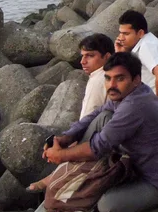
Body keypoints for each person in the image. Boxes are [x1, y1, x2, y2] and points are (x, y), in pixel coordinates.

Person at [44, 53, 158, 212]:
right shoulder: (131, 93)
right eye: (107, 78)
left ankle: (84, 180)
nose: (111, 85)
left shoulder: (135, 105)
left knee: (107, 206)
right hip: (143, 160)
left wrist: (60, 155)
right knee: (104, 116)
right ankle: (80, 173)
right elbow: (97, 114)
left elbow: (97, 147)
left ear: (136, 79)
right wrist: (68, 137)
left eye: (119, 79)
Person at [27, 33, 115, 193]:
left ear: (107, 57)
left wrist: (69, 147)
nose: (82, 61)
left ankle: (53, 178)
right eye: (82, 56)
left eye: (90, 56)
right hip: (108, 130)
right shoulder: (112, 74)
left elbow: (90, 118)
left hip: (106, 135)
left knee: (70, 147)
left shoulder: (99, 79)